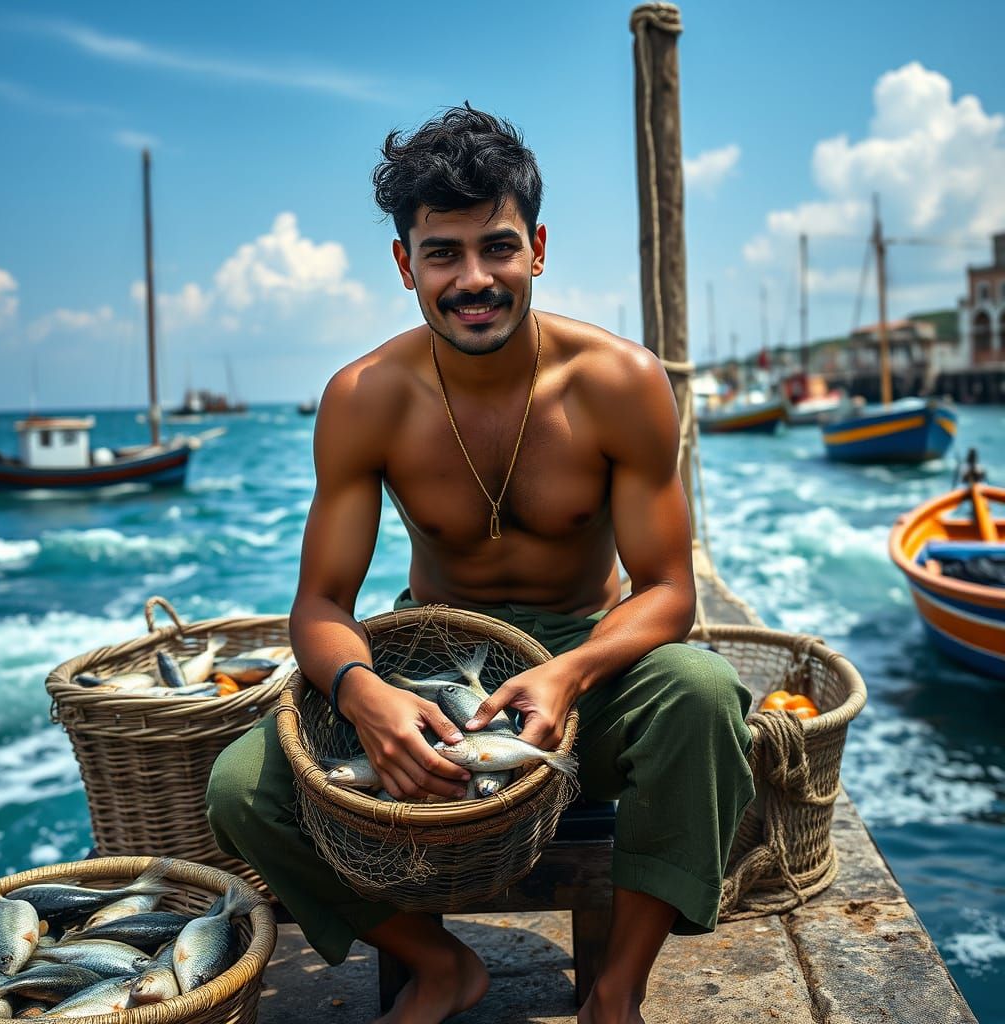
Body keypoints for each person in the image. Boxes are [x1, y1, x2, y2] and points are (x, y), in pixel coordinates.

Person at [207, 104, 755, 1024]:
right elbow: (320, 604)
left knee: (704, 697)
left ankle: (616, 990)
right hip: (433, 657)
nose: (474, 280)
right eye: (443, 253)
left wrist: (571, 674)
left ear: (536, 248)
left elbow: (670, 592)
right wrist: (361, 693)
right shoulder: (363, 398)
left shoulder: (620, 383)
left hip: (590, 649)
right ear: (403, 265)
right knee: (242, 789)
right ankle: (440, 964)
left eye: (497, 248)